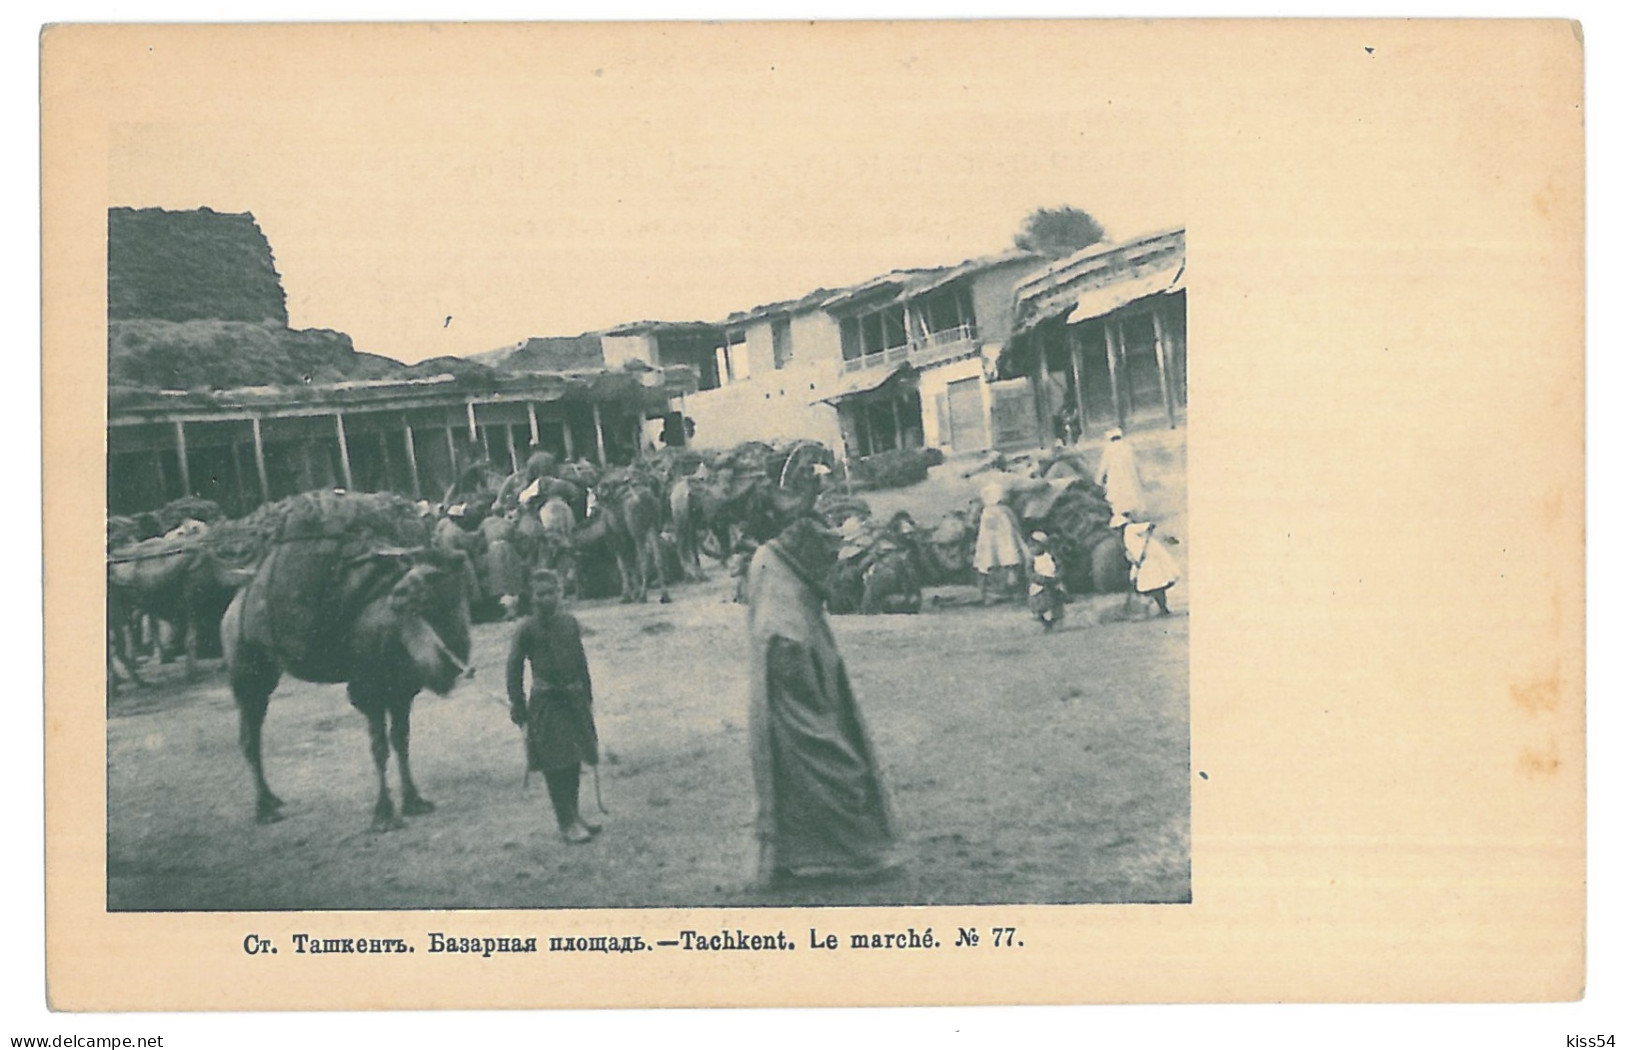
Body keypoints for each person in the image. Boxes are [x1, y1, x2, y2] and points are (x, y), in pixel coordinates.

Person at [747, 516, 897, 886]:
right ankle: (859, 852)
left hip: (787, 701)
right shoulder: (783, 607)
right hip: (795, 705)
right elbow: (789, 649)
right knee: (833, 765)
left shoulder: (773, 569)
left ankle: (787, 859)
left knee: (792, 779)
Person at [507, 568, 601, 843]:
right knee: (555, 762)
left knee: (574, 759)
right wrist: (518, 704)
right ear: (532, 597)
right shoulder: (526, 628)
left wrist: (588, 697)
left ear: (560, 593)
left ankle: (573, 814)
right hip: (546, 704)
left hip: (573, 700)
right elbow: (513, 668)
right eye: (540, 594)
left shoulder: (570, 623)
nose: (545, 599)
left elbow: (581, 662)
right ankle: (564, 822)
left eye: (551, 593)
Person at [972, 477, 1029, 605]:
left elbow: (977, 503)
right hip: (1001, 514)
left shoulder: (981, 480)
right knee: (1008, 547)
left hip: (988, 515)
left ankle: (994, 590)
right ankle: (1012, 586)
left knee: (990, 551)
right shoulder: (1007, 479)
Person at [1115, 512, 1179, 616]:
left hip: (1149, 561)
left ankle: (1163, 609)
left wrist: (1148, 526)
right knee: (1149, 586)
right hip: (1142, 563)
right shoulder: (1125, 537)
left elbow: (1147, 526)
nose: (1117, 531)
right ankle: (1157, 608)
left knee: (1156, 585)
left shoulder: (1129, 529)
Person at [1094, 427, 1146, 519]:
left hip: (1116, 478)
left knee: (1118, 497)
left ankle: (1124, 516)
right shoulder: (1128, 446)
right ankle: (1129, 515)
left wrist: (1098, 481)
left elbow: (1103, 466)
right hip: (1128, 476)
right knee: (1129, 494)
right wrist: (1141, 478)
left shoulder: (1109, 449)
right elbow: (1136, 464)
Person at [1027, 531, 1066, 631]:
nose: (1032, 548)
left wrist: (1057, 576)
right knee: (1040, 606)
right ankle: (1045, 622)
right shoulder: (1032, 559)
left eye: (1035, 546)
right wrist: (1039, 579)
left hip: (1053, 582)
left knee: (1056, 603)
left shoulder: (1050, 556)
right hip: (1040, 585)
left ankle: (1057, 621)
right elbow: (1029, 573)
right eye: (1030, 546)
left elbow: (1060, 566)